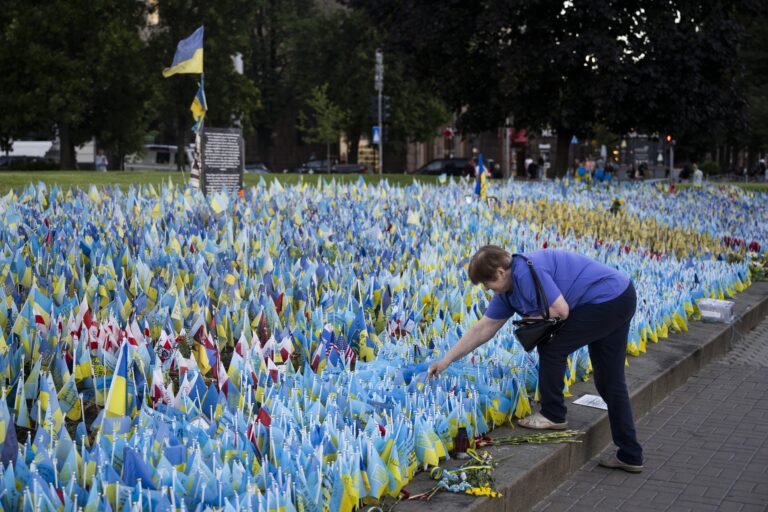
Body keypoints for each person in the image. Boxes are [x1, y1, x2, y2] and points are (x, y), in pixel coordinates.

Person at [428, 246, 644, 473]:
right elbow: (484, 329)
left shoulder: (525, 272)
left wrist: (530, 321)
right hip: (620, 295)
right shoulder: (507, 292)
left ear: (501, 272)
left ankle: (553, 414)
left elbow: (560, 311)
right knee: (609, 381)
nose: (487, 289)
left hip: (607, 300)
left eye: (487, 283)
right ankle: (630, 454)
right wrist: (446, 360)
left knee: (552, 347)